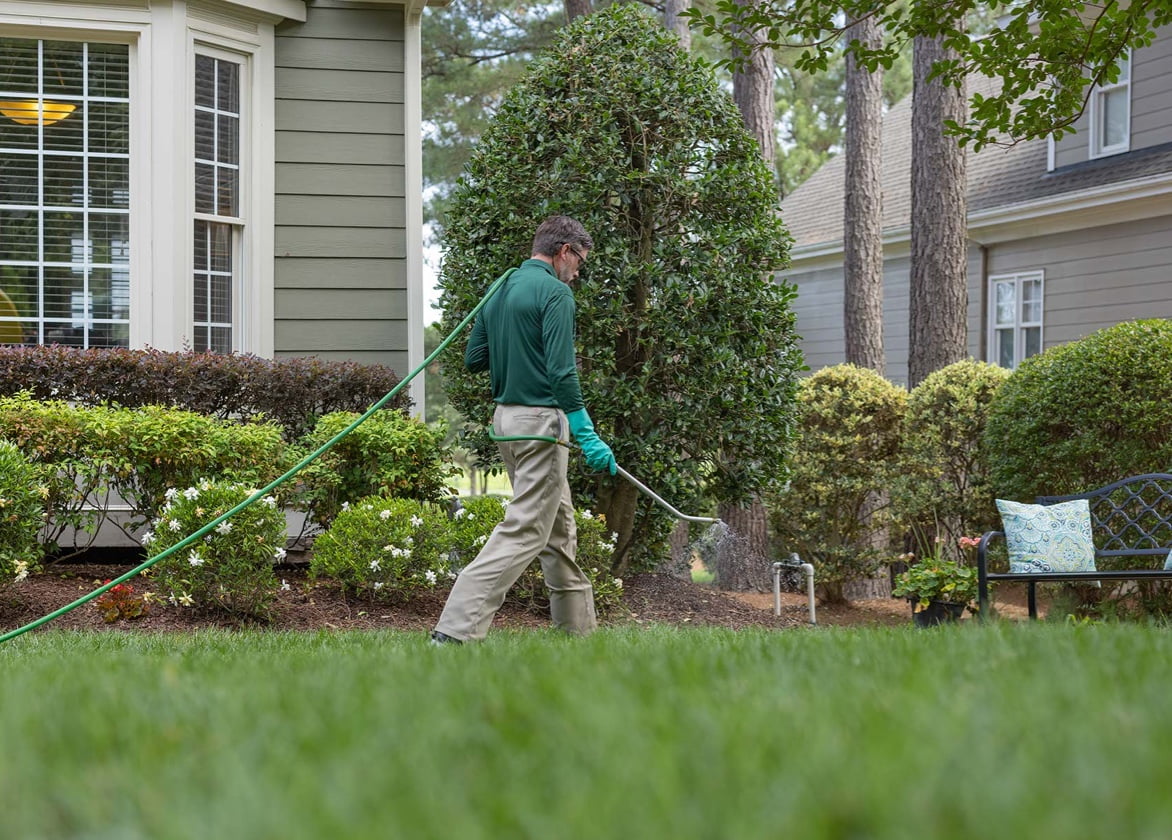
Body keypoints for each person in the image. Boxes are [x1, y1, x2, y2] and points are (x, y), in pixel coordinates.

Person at [431, 216, 617, 644]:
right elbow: (561, 371)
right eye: (579, 263)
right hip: (542, 427)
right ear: (564, 251)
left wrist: (515, 348)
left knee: (558, 526)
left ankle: (577, 631)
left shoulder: (502, 289)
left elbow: (474, 358)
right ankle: (455, 630)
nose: (577, 273)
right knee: (526, 528)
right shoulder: (555, 294)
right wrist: (584, 428)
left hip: (506, 423)